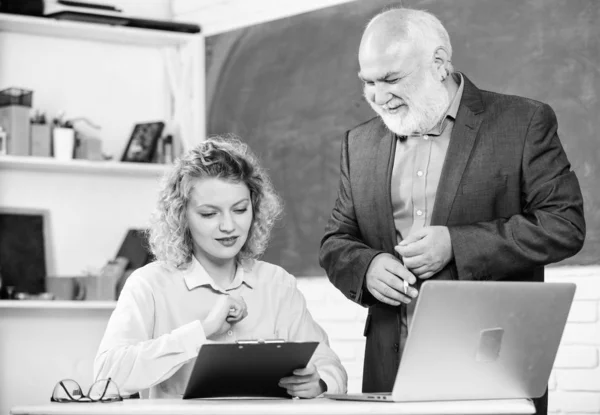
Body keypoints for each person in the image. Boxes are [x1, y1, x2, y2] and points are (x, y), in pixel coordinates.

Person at [319, 7, 585, 415]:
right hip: (390, 368)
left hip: (491, 366)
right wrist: (367, 266)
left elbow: (564, 224)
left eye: (391, 79)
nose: (378, 96)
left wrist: (456, 245)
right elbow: (336, 241)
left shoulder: (524, 121)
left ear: (439, 63)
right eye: (367, 82)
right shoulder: (359, 143)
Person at [95, 135, 347, 399]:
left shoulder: (277, 284)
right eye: (209, 214)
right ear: (181, 216)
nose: (229, 226)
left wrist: (320, 382)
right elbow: (106, 377)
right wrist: (202, 331)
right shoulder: (150, 284)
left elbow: (332, 367)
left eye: (240, 209)